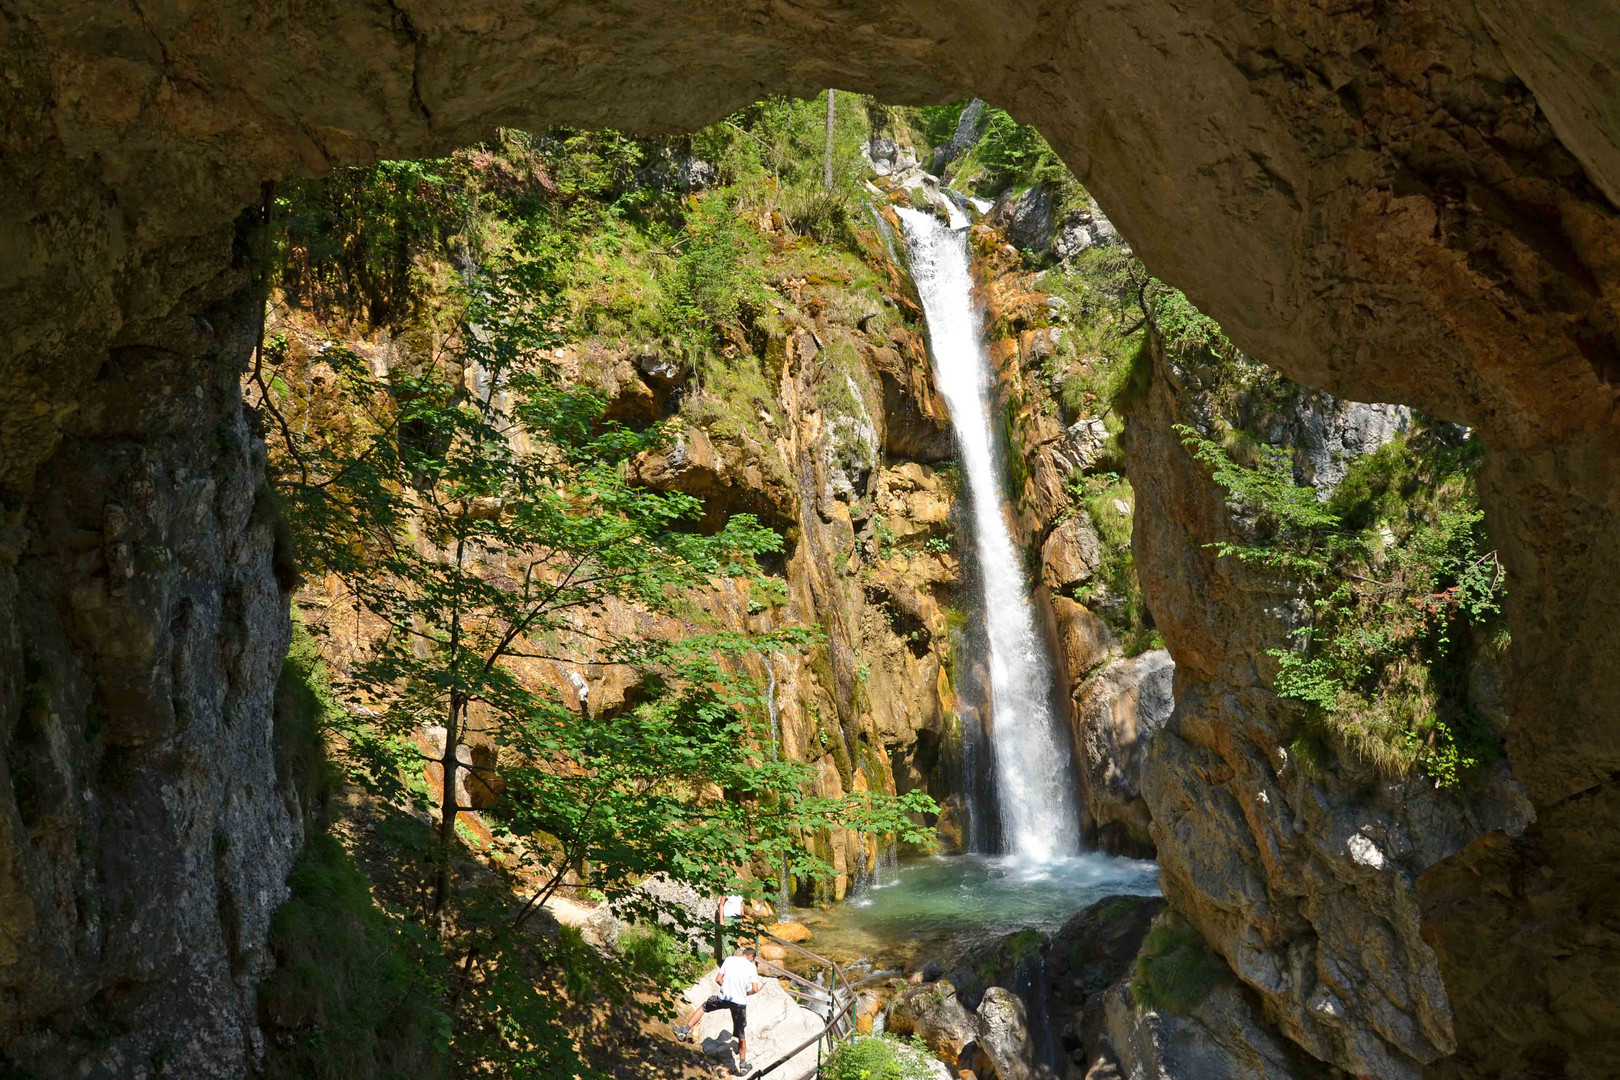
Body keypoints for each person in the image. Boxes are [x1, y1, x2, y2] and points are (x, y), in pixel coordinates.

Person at [675, 945, 763, 1075]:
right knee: (741, 1034)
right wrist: (745, 993)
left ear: (743, 953)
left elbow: (718, 979)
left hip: (724, 998)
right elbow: (755, 989)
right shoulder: (751, 967)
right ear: (751, 957)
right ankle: (743, 1065)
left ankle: (684, 1031)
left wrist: (726, 987)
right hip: (739, 1003)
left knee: (704, 1007)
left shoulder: (729, 959)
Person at [714, 891, 746, 966]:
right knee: (726, 940)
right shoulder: (726, 892)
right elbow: (721, 905)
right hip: (727, 918)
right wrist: (721, 920)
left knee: (734, 941)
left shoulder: (740, 893)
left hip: (737, 919)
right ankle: (726, 964)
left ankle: (731, 961)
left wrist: (742, 917)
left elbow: (741, 905)